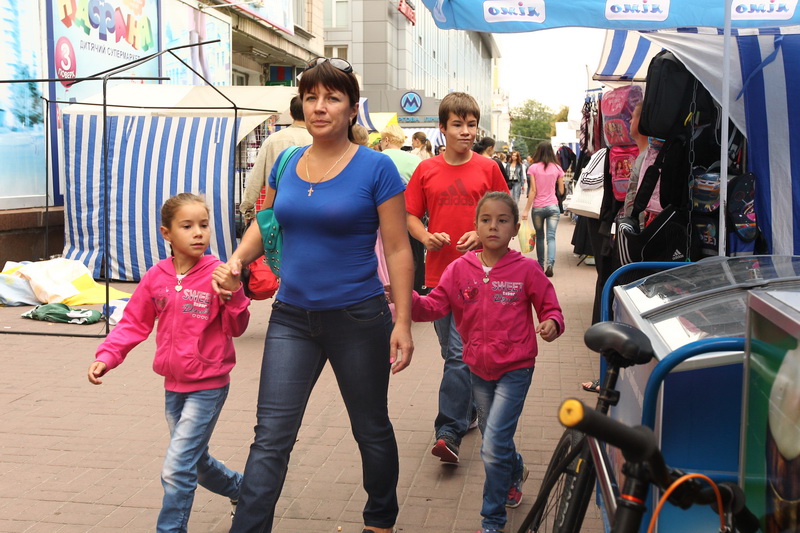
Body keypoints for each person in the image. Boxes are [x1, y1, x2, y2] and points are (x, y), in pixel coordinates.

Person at [218, 57, 414, 533]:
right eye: (311, 98)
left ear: (352, 109)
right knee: (271, 436)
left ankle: (380, 519)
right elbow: (266, 224)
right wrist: (237, 261)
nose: (319, 107)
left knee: (370, 429)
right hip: (291, 318)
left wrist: (403, 322)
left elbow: (397, 248)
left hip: (359, 318)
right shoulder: (286, 162)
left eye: (332, 98)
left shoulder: (377, 167)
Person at [87, 193, 250, 533]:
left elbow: (238, 327)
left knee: (177, 466)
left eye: (203, 225)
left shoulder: (218, 273)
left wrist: (235, 292)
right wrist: (107, 356)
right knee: (195, 462)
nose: (198, 233)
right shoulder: (156, 276)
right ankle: (243, 490)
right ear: (167, 233)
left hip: (208, 386)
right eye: (187, 226)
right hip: (173, 388)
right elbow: (134, 322)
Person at [410, 192, 565, 533]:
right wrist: (407, 299)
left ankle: (492, 520)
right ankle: (515, 470)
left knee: (492, 444)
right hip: (477, 371)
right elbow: (434, 306)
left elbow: (550, 307)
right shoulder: (458, 269)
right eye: (486, 220)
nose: (493, 226)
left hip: (516, 368)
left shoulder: (527, 269)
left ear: (514, 228)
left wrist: (552, 322)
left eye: (502, 220)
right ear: (476, 227)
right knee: (495, 436)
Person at [405, 92, 508, 465]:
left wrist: (482, 234)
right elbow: (410, 215)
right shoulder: (426, 170)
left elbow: (505, 216)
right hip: (438, 276)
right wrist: (425, 236)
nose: (466, 131)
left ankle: (448, 431)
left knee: (457, 354)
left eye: (471, 124)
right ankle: (469, 413)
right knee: (455, 354)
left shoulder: (488, 169)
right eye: (458, 124)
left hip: (479, 275)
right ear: (442, 128)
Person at [239, 96, 312, 221]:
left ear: (291, 114)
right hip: (309, 210)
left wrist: (248, 209)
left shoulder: (273, 140)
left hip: (276, 212)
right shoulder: (317, 140)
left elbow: (256, 177)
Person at [522, 141, 565, 278]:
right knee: (551, 237)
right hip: (553, 206)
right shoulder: (557, 168)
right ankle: (550, 264)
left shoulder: (533, 168)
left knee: (540, 237)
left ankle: (540, 265)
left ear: (538, 152)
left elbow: (533, 191)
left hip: (538, 208)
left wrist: (526, 210)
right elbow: (561, 190)